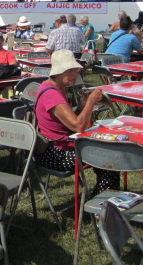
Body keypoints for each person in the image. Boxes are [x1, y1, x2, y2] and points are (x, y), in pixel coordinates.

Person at [34, 49, 119, 195]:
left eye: (76, 70)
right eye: (72, 71)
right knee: (109, 158)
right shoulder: (51, 94)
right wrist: (91, 101)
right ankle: (103, 202)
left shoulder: (53, 88)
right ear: (60, 72)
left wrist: (80, 108)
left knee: (108, 156)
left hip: (58, 148)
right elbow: (78, 126)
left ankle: (103, 198)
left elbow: (69, 124)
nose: (76, 75)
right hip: (57, 154)